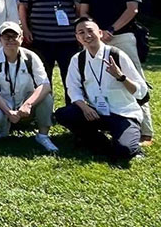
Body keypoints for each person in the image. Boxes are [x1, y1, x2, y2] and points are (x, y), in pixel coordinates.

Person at [80, 0, 152, 145]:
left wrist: (111, 29)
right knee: (97, 80)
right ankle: (108, 125)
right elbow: (84, 12)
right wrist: (96, 32)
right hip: (96, 39)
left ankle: (145, 131)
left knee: (134, 79)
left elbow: (132, 9)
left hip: (123, 36)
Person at [55, 17, 147, 161]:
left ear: (100, 33)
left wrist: (121, 77)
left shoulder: (117, 55)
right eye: (81, 32)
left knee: (124, 151)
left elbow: (141, 91)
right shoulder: (78, 59)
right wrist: (85, 107)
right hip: (97, 112)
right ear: (77, 37)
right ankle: (101, 143)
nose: (87, 35)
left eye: (90, 31)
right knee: (64, 114)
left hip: (123, 113)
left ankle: (121, 144)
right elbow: (73, 89)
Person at [0, 22, 58, 153]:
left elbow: (45, 85)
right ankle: (2, 127)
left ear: (21, 38)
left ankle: (43, 135)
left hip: (25, 100)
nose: (10, 40)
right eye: (6, 36)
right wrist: (8, 112)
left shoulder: (31, 57)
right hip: (3, 101)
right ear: (0, 39)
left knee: (46, 98)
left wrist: (28, 104)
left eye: (14, 36)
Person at [18, 0, 81, 104]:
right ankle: (45, 110)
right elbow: (22, 7)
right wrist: (25, 29)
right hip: (40, 40)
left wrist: (79, 32)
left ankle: (72, 109)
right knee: (42, 78)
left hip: (68, 41)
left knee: (71, 78)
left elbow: (80, 10)